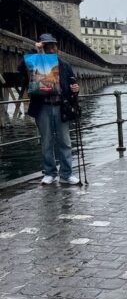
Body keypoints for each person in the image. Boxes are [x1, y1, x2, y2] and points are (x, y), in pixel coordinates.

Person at [19, 33, 80, 186]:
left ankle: (66, 174)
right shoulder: (34, 62)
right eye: (48, 46)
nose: (52, 48)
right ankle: (49, 173)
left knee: (65, 142)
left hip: (61, 107)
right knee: (46, 142)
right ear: (43, 47)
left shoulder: (64, 65)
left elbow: (73, 84)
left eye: (53, 45)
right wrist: (34, 50)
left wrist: (75, 89)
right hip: (42, 107)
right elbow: (20, 67)